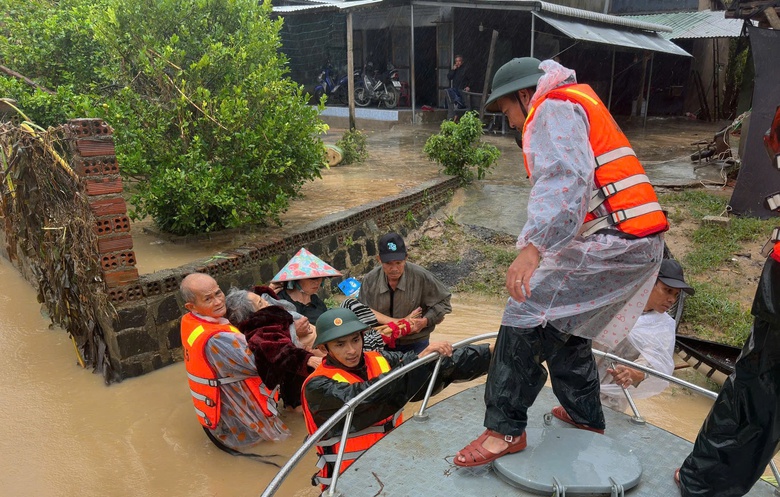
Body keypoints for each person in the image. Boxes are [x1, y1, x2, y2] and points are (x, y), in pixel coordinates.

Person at [454, 58, 668, 467]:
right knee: (567, 322)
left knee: (525, 308)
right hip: (636, 242)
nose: (513, 124)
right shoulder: (575, 102)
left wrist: (533, 247)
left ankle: (504, 430)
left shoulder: (550, 106)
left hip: (617, 240)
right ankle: (584, 415)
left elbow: (565, 179)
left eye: (507, 113)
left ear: (523, 95)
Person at [302, 308, 492, 490]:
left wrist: (491, 353)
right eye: (340, 344)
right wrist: (415, 363)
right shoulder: (317, 386)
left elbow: (433, 369)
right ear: (323, 348)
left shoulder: (381, 359)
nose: (351, 350)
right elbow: (366, 398)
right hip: (345, 481)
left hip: (389, 467)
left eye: (355, 340)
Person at [179, 273, 290, 452]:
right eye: (208, 299)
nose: (218, 302)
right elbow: (265, 362)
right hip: (242, 419)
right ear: (192, 306)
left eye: (218, 293)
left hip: (220, 414)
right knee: (276, 449)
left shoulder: (193, 322)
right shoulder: (218, 339)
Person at [597, 259, 695, 412]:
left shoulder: (662, 326)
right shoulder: (613, 303)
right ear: (649, 283)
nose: (672, 299)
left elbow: (654, 361)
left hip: (613, 401)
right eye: (667, 290)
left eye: (676, 294)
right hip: (577, 383)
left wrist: (635, 373)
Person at [225, 286, 323, 411]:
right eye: (260, 303)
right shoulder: (259, 329)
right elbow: (278, 349)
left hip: (307, 359)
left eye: (261, 299)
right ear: (251, 314)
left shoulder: (269, 313)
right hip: (295, 372)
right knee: (300, 407)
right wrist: (308, 359)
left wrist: (266, 289)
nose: (266, 302)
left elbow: (267, 298)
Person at [358, 232, 452, 354]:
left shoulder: (421, 276)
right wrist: (400, 323)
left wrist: (425, 322)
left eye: (398, 263)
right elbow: (361, 312)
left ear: (406, 258)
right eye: (388, 263)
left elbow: (444, 302)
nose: (394, 269)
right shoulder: (370, 280)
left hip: (416, 342)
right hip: (382, 343)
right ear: (379, 259)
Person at [273, 247, 342, 323]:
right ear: (297, 279)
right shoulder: (279, 301)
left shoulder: (318, 303)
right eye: (313, 278)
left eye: (320, 278)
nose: (317, 282)